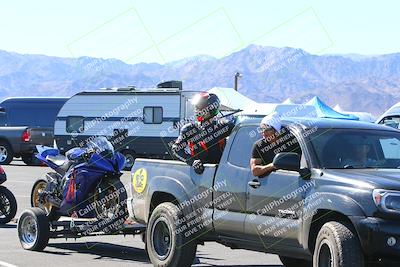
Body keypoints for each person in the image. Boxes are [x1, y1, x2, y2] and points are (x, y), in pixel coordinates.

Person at [172, 92, 236, 174]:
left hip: (220, 172)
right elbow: (176, 149)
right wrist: (192, 161)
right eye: (196, 107)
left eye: (200, 107)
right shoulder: (189, 128)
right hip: (199, 174)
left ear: (210, 109)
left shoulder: (225, 126)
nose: (197, 110)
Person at [250, 112, 300, 177]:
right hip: (267, 183)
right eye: (262, 129)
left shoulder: (291, 142)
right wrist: (272, 166)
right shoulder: (259, 146)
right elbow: (255, 171)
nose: (264, 132)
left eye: (267, 129)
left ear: (276, 131)